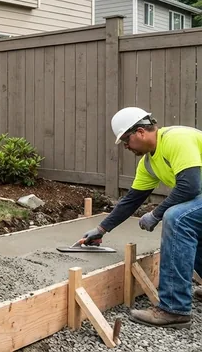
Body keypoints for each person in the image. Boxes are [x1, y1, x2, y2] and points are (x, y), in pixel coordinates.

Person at [80, 107, 202, 329]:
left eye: (126, 140)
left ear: (140, 132)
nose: (125, 146)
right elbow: (131, 200)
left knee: (178, 218)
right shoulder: (148, 163)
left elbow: (190, 186)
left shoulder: (177, 139)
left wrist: (156, 214)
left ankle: (173, 309)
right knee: (190, 222)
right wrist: (101, 229)